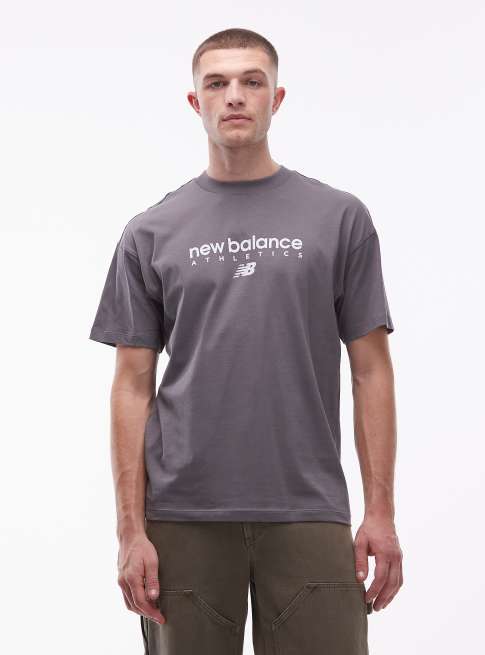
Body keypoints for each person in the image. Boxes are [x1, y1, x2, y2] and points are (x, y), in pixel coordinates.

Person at [89, 27, 403, 655]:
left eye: (251, 82)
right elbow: (131, 387)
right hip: (183, 515)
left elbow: (371, 369)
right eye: (217, 83)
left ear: (276, 98)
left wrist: (381, 513)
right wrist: (130, 531)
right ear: (195, 101)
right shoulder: (150, 231)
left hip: (309, 506)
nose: (234, 95)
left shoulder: (339, 218)